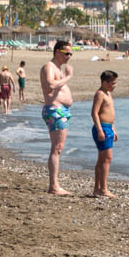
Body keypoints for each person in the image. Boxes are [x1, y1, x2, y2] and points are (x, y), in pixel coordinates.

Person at [40, 40, 76, 195]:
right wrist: (69, 76)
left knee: (58, 148)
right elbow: (51, 85)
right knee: (57, 148)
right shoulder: (49, 66)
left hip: (61, 110)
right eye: (67, 53)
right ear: (57, 52)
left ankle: (54, 184)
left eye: (71, 54)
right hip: (55, 110)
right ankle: (54, 186)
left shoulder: (57, 68)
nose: (69, 56)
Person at [90, 69, 119, 198]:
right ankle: (103, 188)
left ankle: (97, 188)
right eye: (112, 83)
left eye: (115, 83)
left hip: (108, 127)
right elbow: (94, 113)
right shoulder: (100, 94)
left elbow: (109, 113)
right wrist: (100, 130)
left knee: (102, 159)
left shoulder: (108, 93)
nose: (114, 85)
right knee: (107, 158)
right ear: (104, 82)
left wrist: (113, 128)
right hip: (102, 127)